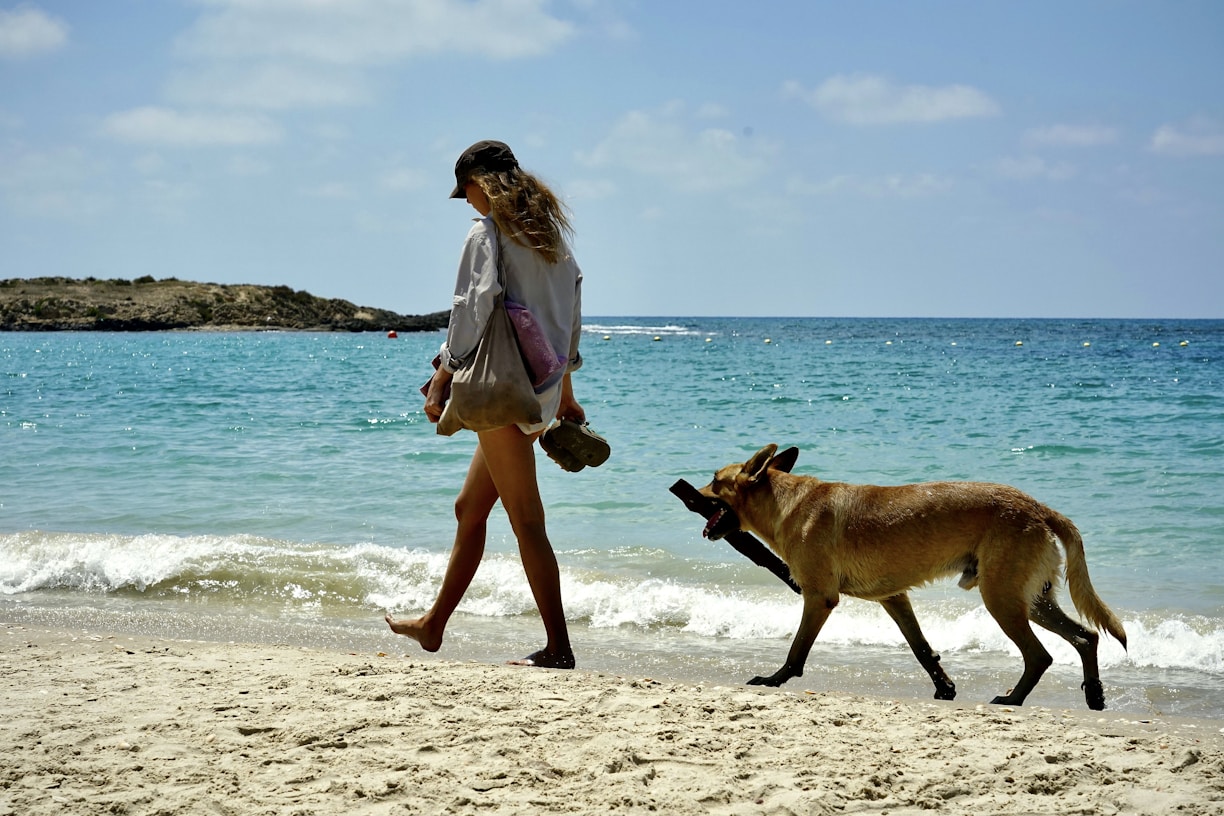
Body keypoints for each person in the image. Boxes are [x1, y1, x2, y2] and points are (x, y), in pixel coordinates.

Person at [386, 140, 585, 669]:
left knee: (527, 522)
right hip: (537, 390)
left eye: (467, 189)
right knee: (469, 509)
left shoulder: (488, 233)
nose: (466, 200)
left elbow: (471, 309)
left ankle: (559, 648)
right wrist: (565, 391)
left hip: (502, 391)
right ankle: (433, 625)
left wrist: (443, 375)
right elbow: (570, 313)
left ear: (483, 183)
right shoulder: (552, 241)